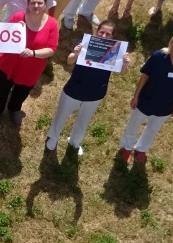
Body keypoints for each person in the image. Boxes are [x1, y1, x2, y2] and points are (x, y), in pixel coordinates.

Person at [0, 0, 59, 128]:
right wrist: (15, 29)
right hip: (8, 65)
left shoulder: (52, 24)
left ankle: (14, 109)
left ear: (45, 5)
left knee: (22, 92)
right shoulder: (18, 17)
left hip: (31, 70)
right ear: (28, 5)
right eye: (33, 3)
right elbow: (3, 39)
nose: (36, 5)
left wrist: (33, 53)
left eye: (39, 3)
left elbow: (51, 49)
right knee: (1, 90)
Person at [118, 32, 173, 164]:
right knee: (133, 125)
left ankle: (141, 149)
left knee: (152, 129)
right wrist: (136, 96)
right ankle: (127, 147)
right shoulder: (158, 57)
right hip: (145, 99)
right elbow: (144, 77)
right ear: (171, 43)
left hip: (166, 105)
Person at [46, 21, 119, 156]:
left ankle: (75, 141)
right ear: (97, 31)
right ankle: (53, 136)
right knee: (62, 115)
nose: (104, 36)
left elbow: (122, 72)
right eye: (101, 32)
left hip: (96, 93)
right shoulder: (85, 43)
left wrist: (125, 63)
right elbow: (69, 61)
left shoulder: (115, 50)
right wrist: (76, 53)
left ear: (113, 37)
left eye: (108, 34)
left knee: (84, 120)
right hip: (75, 88)